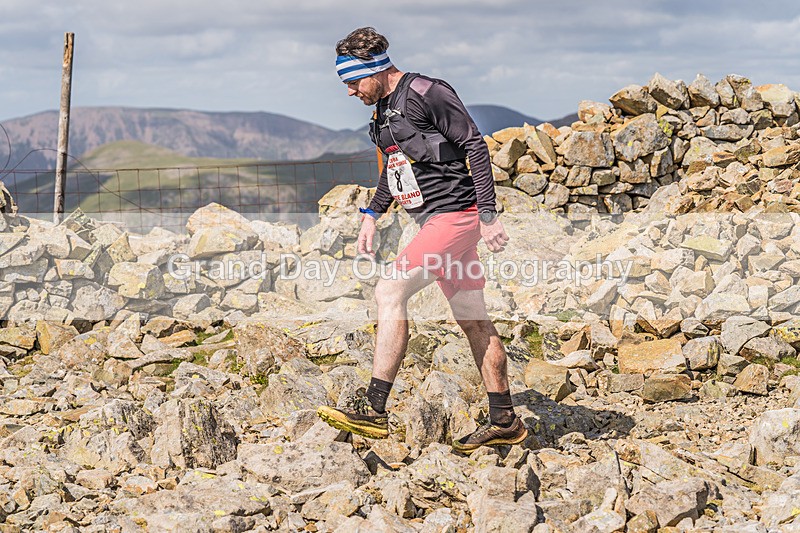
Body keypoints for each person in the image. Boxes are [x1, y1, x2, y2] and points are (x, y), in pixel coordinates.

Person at [316, 27, 527, 453]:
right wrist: (372, 214)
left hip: (456, 218)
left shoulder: (427, 91)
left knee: (389, 290)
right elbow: (394, 168)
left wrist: (488, 216)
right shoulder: (382, 111)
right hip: (439, 222)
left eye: (354, 82)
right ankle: (504, 418)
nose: (351, 92)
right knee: (473, 319)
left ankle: (375, 408)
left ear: (374, 69)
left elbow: (476, 147)